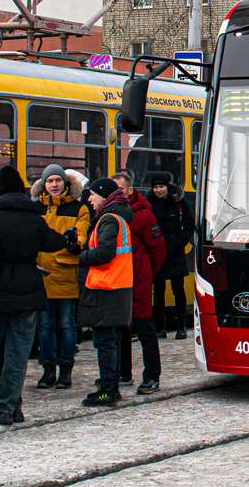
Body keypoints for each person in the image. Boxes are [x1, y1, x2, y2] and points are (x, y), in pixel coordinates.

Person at [0, 167, 67, 426]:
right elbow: (54, 243)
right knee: (19, 351)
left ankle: (4, 406)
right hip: (28, 288)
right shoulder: (35, 218)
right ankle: (12, 406)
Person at [78, 178, 134, 407]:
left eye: (92, 194)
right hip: (114, 285)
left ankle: (109, 388)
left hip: (106, 286)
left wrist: (81, 256)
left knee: (105, 340)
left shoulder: (109, 219)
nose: (89, 199)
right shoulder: (116, 216)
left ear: (103, 195)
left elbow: (104, 253)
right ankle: (108, 384)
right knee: (109, 339)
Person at [33, 166, 89, 390]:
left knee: (67, 325)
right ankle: (48, 368)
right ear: (44, 184)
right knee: (45, 325)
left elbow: (82, 236)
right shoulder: (36, 208)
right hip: (42, 273)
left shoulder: (79, 208)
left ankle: (66, 368)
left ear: (66, 184)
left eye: (58, 181)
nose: (54, 185)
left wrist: (76, 244)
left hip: (66, 272)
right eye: (50, 181)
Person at [111, 171, 165, 393]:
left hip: (138, 282)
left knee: (145, 331)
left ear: (130, 191)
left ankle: (152, 376)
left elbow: (159, 250)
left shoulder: (143, 216)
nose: (118, 196)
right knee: (120, 330)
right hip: (118, 282)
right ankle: (124, 373)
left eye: (121, 191)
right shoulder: (110, 215)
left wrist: (146, 274)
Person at [147, 174, 194, 340]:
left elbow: (189, 224)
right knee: (158, 291)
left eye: (161, 187)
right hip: (157, 253)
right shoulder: (149, 204)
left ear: (167, 187)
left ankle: (181, 327)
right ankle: (160, 327)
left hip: (175, 253)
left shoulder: (178, 202)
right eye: (156, 187)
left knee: (178, 290)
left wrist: (178, 243)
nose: (159, 190)